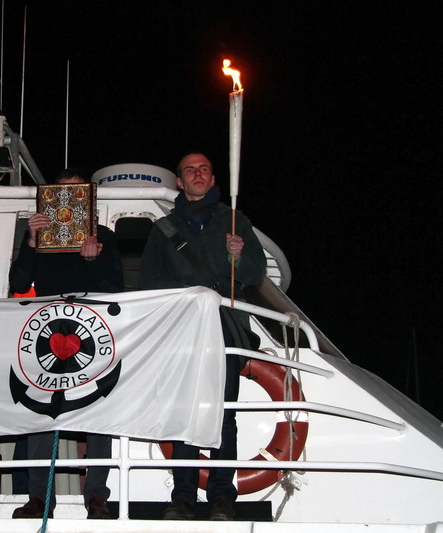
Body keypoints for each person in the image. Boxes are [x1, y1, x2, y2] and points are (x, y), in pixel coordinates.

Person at [140, 152, 266, 521]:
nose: (197, 174)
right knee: (184, 413)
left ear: (213, 179)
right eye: (190, 170)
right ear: (180, 181)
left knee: (223, 414)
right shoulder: (162, 229)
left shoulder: (235, 221)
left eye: (204, 169)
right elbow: (149, 283)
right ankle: (182, 497)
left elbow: (255, 274)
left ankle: (223, 497)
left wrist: (237, 257)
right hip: (182, 330)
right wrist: (192, 289)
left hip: (223, 327)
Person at [9, 168, 124, 520]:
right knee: (44, 409)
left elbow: (114, 289)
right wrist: (30, 240)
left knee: (98, 409)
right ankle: (38, 497)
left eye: (77, 192)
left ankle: (96, 496)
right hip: (46, 332)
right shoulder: (39, 235)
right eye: (63, 193)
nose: (69, 200)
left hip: (92, 331)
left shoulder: (102, 236)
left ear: (88, 198)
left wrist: (91, 260)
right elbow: (17, 281)